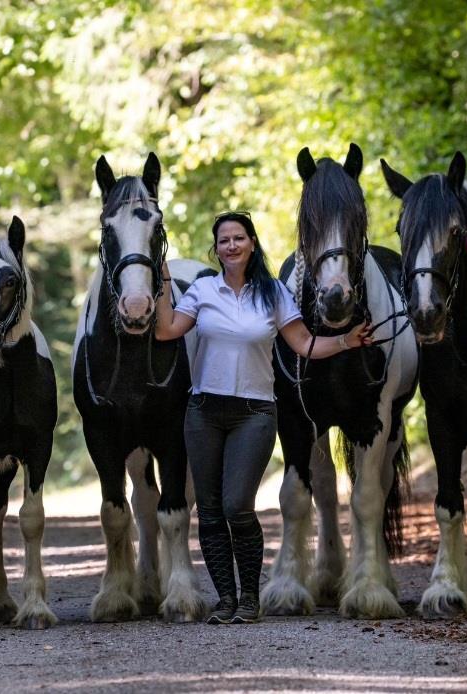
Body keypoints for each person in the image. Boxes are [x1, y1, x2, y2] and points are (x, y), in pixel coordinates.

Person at [155, 211, 372, 624]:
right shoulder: (202, 290)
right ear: (216, 250)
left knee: (238, 504)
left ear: (252, 243)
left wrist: (345, 340)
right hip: (203, 411)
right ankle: (226, 602)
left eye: (239, 238)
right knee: (211, 510)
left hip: (254, 413)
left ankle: (249, 597)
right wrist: (164, 281)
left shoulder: (272, 293)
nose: (231, 245)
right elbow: (166, 330)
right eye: (223, 240)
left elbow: (304, 343)